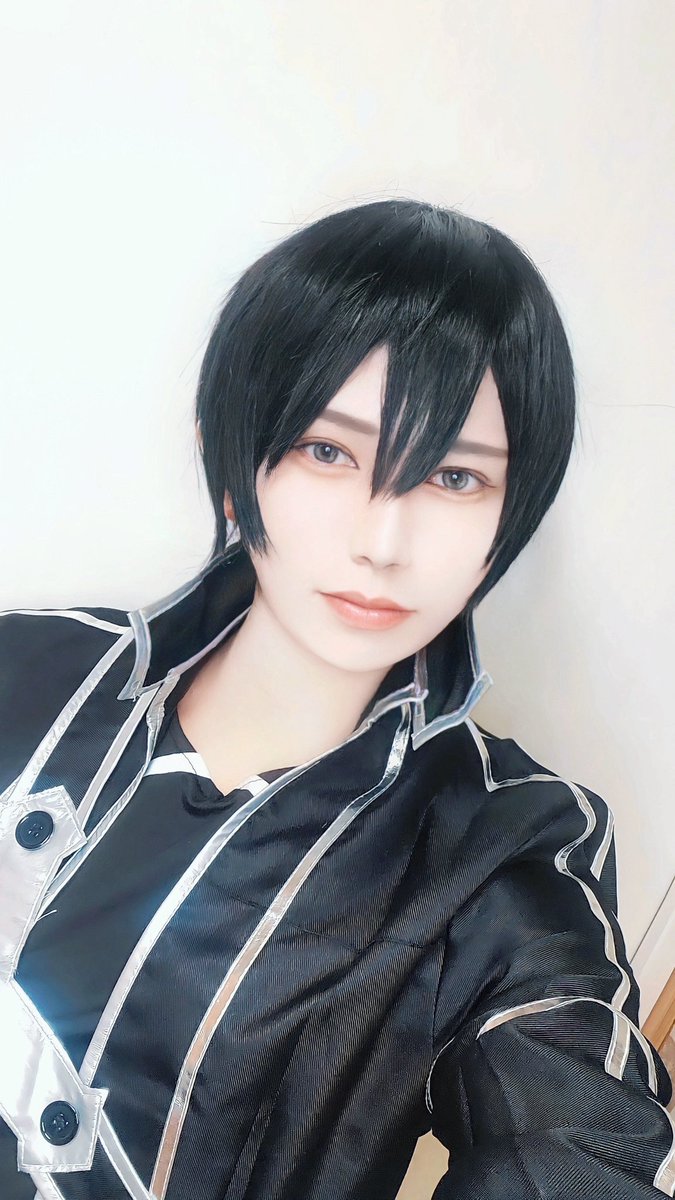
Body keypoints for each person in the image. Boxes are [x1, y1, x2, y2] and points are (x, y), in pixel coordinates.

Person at [0, 198, 672, 1200]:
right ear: (234, 459)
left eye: (454, 477)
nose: (381, 541)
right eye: (329, 451)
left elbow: (574, 1138)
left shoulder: (507, 846)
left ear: (510, 515)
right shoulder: (29, 665)